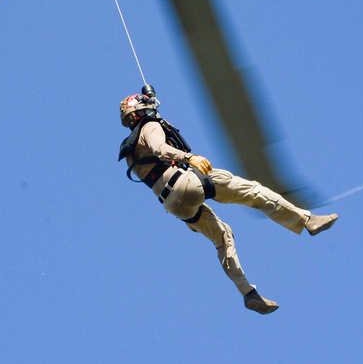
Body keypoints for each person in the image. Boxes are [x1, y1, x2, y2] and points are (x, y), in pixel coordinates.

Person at [118, 86, 337, 314]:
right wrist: (190, 157)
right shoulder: (150, 127)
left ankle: (248, 293)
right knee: (254, 191)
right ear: (141, 110)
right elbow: (160, 148)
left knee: (223, 236)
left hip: (174, 205)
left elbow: (152, 154)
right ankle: (306, 220)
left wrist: (152, 101)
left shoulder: (130, 152)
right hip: (187, 184)